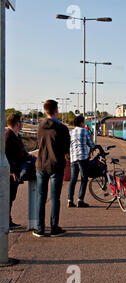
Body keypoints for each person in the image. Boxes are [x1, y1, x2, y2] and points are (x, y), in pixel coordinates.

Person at [34, 100, 70, 238]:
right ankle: (54, 228)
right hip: (56, 166)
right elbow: (66, 149)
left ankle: (40, 229)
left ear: (45, 111)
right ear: (56, 110)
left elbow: (38, 144)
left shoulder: (40, 126)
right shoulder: (62, 128)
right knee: (55, 198)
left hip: (41, 165)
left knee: (40, 197)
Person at [5, 114, 31, 230]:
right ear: (17, 123)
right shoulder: (8, 136)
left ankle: (8, 221)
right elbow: (4, 156)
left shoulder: (16, 136)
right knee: (7, 198)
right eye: (22, 121)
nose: (23, 123)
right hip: (10, 173)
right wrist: (11, 171)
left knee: (11, 198)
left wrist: (29, 156)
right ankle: (5, 223)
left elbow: (21, 153)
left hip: (15, 171)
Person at [68, 116, 95, 208]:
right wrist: (90, 153)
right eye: (84, 122)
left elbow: (68, 146)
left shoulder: (70, 132)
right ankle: (80, 200)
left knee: (73, 179)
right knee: (84, 179)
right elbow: (91, 145)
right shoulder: (85, 131)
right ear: (81, 123)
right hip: (83, 158)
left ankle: (70, 200)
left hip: (73, 159)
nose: (85, 124)